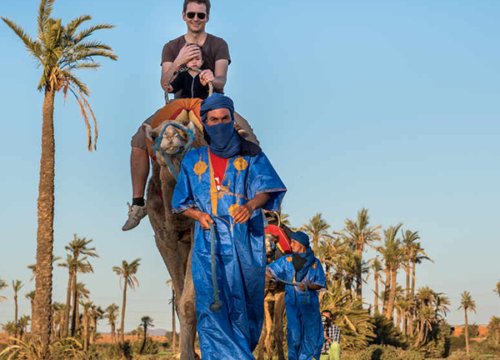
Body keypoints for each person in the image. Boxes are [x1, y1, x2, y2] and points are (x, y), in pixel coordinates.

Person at [123, 0, 258, 231]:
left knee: (247, 136)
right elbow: (165, 84)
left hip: (210, 102)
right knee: (138, 141)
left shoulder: (218, 45)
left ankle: (258, 200)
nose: (196, 19)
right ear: (184, 16)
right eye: (192, 14)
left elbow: (222, 79)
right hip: (178, 103)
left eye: (201, 15)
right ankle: (138, 204)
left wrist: (211, 79)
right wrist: (179, 60)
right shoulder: (172, 46)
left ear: (207, 17)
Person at [171, 94, 286, 360]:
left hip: (246, 238)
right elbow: (181, 201)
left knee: (247, 303)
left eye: (225, 119)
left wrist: (251, 206)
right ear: (206, 122)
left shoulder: (252, 154)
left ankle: (242, 350)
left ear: (232, 120)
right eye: (213, 120)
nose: (219, 124)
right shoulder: (193, 159)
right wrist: (197, 215)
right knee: (212, 304)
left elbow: (266, 188)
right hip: (208, 242)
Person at [266, 231, 326, 360]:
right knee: (294, 335)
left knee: (311, 336)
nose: (291, 245)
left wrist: (308, 286)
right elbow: (270, 270)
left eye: (293, 242)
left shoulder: (315, 263)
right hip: (292, 305)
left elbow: (320, 284)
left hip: (309, 306)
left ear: (301, 244)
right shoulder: (286, 260)